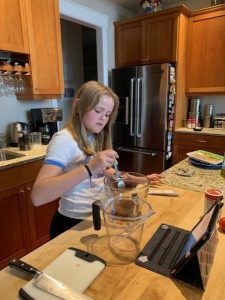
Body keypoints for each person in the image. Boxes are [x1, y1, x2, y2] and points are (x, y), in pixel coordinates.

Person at [31, 81, 161, 239]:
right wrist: (89, 168)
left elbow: (108, 173)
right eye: (98, 110)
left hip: (95, 219)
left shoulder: (94, 136)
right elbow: (38, 196)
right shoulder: (64, 140)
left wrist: (140, 179)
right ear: (78, 106)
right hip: (72, 225)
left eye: (107, 114)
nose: (103, 119)